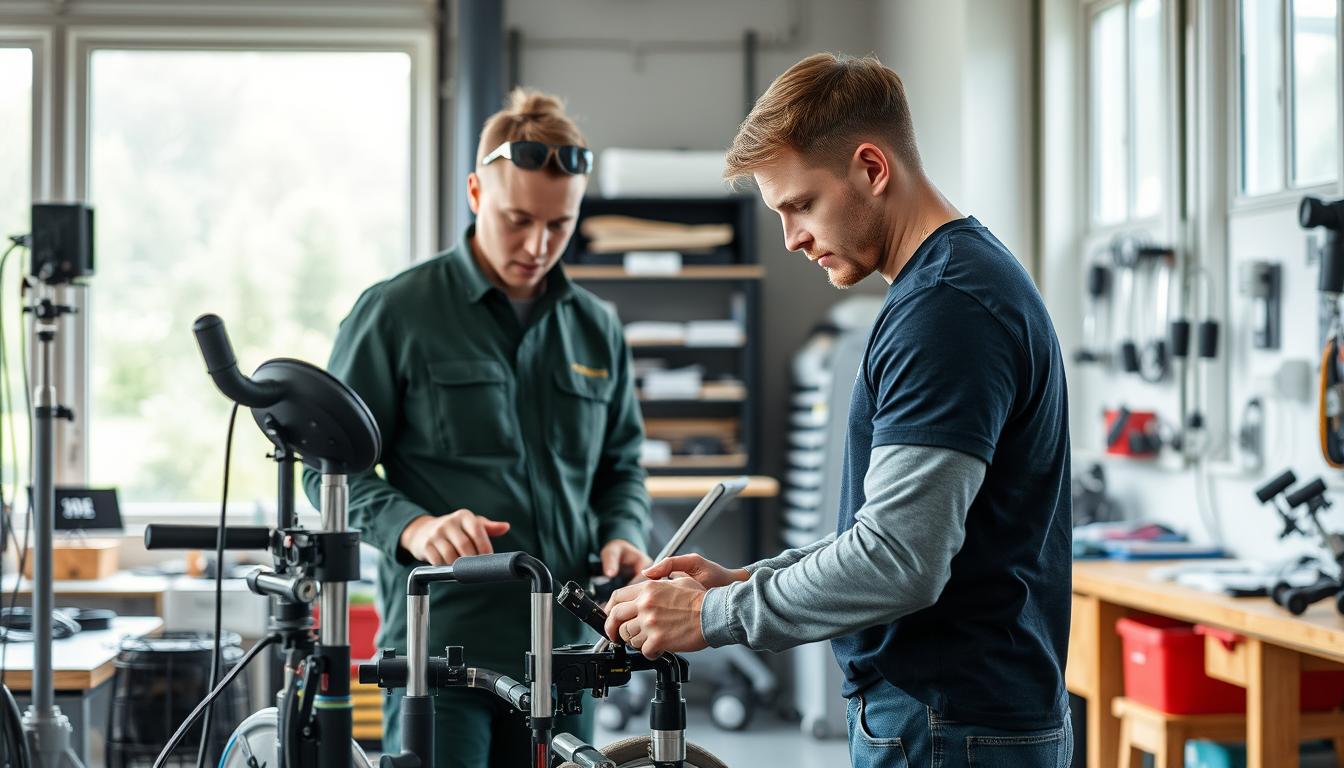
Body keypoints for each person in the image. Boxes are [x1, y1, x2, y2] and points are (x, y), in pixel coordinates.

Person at [603, 53, 1073, 768]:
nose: (791, 237)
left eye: (800, 205)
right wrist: (748, 583)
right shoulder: (950, 286)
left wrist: (711, 615)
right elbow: (890, 530)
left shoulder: (946, 310)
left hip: (946, 724)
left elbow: (900, 561)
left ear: (870, 169)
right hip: (955, 716)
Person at [304, 88, 651, 768]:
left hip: (565, 653)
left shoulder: (596, 326)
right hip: (443, 654)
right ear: (473, 193)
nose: (538, 245)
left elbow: (622, 464)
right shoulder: (396, 312)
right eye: (518, 219)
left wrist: (624, 531)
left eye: (560, 225)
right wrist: (414, 527)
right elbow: (327, 470)